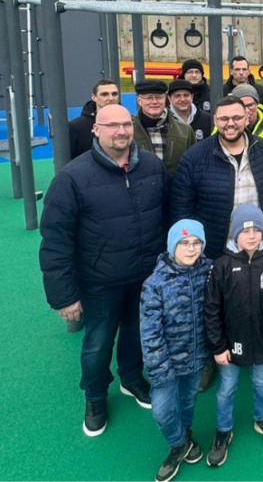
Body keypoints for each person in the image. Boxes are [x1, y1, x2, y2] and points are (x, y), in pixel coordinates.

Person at [40, 104, 168, 437]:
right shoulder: (72, 177)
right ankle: (95, 397)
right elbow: (55, 239)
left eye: (126, 124)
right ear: (96, 130)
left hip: (145, 276)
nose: (121, 131)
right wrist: (64, 296)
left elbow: (166, 215)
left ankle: (132, 378)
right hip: (100, 281)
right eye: (112, 125)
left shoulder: (151, 166)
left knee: (137, 333)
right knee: (98, 343)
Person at [204, 204, 263, 467]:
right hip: (231, 344)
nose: (252, 236)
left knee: (262, 382)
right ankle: (223, 429)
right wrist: (218, 346)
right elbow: (211, 309)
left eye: (256, 230)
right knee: (226, 388)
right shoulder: (221, 266)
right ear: (235, 233)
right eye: (245, 230)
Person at [140, 220, 211, 482]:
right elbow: (150, 333)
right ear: (172, 247)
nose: (191, 249)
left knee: (188, 401)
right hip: (166, 364)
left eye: (196, 243)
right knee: (162, 410)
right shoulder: (154, 284)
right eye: (184, 243)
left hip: (196, 359)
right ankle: (179, 444)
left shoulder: (210, 271)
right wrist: (160, 369)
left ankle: (185, 436)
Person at [170, 96, 263, 260]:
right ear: (215, 120)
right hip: (214, 254)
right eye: (224, 119)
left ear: (246, 119)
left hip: (259, 251)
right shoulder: (194, 157)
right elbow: (181, 210)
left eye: (236, 118)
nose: (230, 123)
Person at [132, 79, 196, 177]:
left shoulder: (185, 130)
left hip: (177, 185)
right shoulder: (128, 130)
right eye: (148, 98)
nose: (154, 102)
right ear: (139, 101)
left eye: (159, 97)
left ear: (165, 99)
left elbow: (194, 163)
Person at [69, 79, 120, 159]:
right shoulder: (76, 127)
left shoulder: (130, 122)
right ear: (94, 97)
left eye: (114, 94)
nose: (111, 98)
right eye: (104, 94)